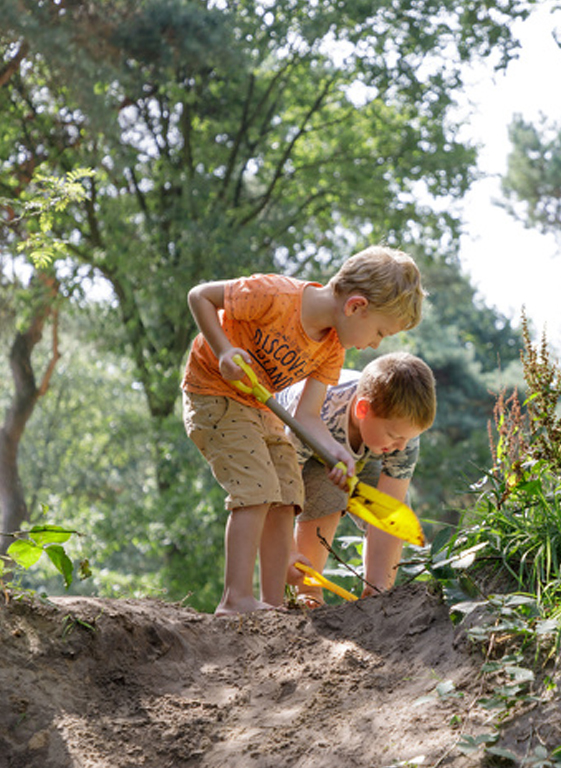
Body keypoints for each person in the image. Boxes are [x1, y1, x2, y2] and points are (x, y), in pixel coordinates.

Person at [181, 246, 423, 617]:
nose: (375, 344)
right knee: (257, 487)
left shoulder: (330, 350)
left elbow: (307, 416)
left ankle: (273, 603)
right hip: (213, 392)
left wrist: (335, 452)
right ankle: (235, 598)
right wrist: (224, 350)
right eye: (379, 332)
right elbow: (200, 296)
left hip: (259, 407)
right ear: (356, 306)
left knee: (288, 490)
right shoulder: (274, 295)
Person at [277, 351, 436, 606]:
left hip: (364, 452)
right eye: (394, 435)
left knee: (394, 508)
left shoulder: (401, 438)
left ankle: (377, 591)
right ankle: (308, 591)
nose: (400, 446)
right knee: (328, 495)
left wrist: (377, 586)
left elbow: (389, 512)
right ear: (363, 409)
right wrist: (285, 551)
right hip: (299, 448)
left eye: (407, 438)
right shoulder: (322, 410)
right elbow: (283, 486)